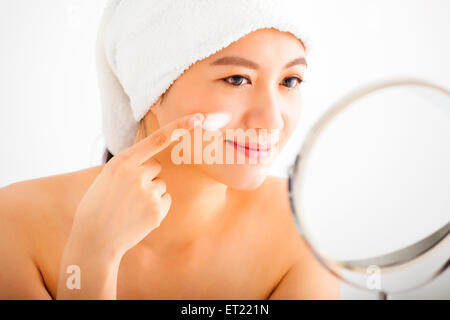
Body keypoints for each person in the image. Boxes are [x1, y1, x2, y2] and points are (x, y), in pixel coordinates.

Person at [0, 0, 340, 299]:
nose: (271, 120)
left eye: (289, 81)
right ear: (151, 89)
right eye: (236, 79)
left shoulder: (301, 230)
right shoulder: (14, 225)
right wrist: (92, 257)